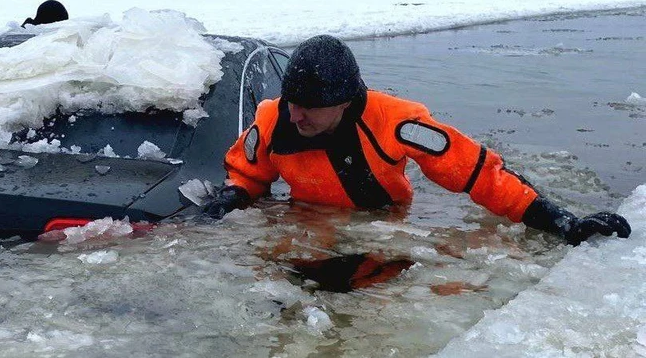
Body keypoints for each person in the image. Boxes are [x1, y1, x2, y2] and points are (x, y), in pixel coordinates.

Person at [204, 35, 631, 247]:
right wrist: (230, 198)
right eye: (292, 101)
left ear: (345, 100)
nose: (295, 115)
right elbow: (248, 173)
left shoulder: (397, 122)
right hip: (307, 227)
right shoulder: (273, 119)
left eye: (310, 106)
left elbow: (478, 173)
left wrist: (559, 221)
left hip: (382, 230)